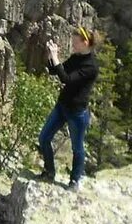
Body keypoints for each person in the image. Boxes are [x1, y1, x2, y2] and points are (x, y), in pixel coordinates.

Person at [37, 26, 103, 192]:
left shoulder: (91, 67)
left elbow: (66, 79)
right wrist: (51, 56)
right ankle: (49, 171)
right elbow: (55, 71)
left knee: (77, 148)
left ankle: (74, 181)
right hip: (62, 106)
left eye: (75, 42)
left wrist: (55, 57)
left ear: (85, 43)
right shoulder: (76, 57)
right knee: (44, 138)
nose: (72, 45)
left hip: (77, 112)